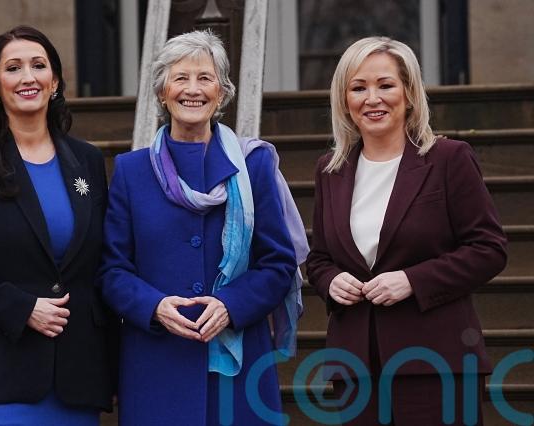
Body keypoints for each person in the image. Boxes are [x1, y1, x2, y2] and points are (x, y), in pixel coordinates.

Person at [98, 29, 307, 425]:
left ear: (222, 92)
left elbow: (279, 263)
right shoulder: (130, 171)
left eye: (205, 78)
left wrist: (231, 304)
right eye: (180, 78)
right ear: (162, 92)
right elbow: (112, 270)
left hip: (239, 366)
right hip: (157, 364)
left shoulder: (254, 166)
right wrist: (154, 307)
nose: (192, 89)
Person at [306, 36, 508, 425]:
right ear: (344, 100)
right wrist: (330, 281)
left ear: (409, 93)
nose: (372, 98)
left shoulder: (449, 159)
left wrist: (413, 280)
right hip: (356, 366)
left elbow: (489, 249)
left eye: (385, 85)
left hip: (436, 360)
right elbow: (319, 258)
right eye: (358, 88)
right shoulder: (330, 169)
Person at [0, 26, 118, 426]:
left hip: (77, 376)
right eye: (13, 68)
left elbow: (103, 263)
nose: (28, 77)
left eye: (38, 65)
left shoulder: (86, 161)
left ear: (55, 81)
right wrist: (22, 308)